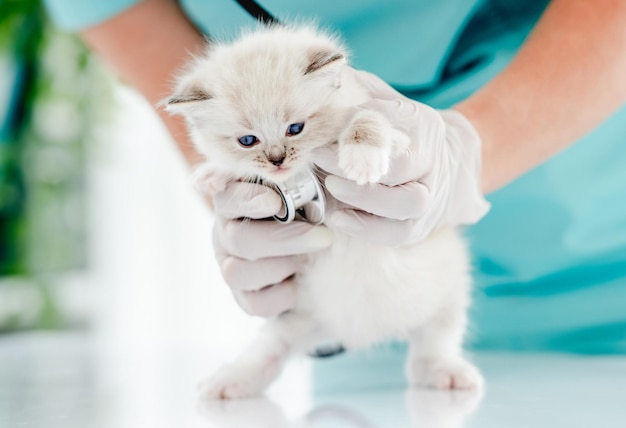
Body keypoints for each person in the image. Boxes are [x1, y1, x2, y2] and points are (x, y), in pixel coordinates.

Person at [43, 0, 626, 354]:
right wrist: (259, 220)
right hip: (377, 333)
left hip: (606, 273)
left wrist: (466, 152)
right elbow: (208, 124)